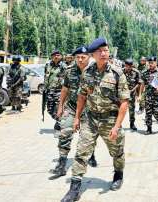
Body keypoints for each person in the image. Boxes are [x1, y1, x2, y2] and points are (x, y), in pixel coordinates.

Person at [61, 38, 129, 202]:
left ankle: (118, 174)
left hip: (110, 119)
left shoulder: (117, 73)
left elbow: (124, 102)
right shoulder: (87, 72)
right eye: (100, 51)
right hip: (90, 119)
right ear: (93, 54)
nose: (104, 53)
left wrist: (117, 126)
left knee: (117, 151)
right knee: (81, 151)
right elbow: (82, 96)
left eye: (106, 50)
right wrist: (77, 117)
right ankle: (74, 188)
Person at [49, 46, 97, 180]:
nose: (80, 60)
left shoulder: (96, 71)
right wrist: (60, 106)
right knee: (64, 132)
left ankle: (91, 154)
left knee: (87, 137)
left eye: (83, 57)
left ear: (89, 57)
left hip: (88, 109)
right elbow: (65, 89)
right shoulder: (70, 71)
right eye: (78, 57)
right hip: (71, 107)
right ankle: (62, 164)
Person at [140, 56, 158, 135]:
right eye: (149, 63)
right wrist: (140, 95)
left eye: (152, 63)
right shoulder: (145, 73)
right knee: (148, 113)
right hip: (148, 96)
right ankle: (149, 129)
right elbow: (142, 84)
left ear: (156, 62)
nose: (150, 64)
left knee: (156, 113)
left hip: (157, 96)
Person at [44, 50, 66, 131]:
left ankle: (60, 123)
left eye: (58, 55)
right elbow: (46, 77)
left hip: (59, 91)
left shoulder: (64, 66)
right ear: (51, 57)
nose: (56, 57)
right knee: (49, 109)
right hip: (50, 91)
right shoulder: (48, 65)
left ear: (60, 56)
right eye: (54, 55)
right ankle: (59, 120)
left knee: (58, 108)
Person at [123, 58, 141, 131]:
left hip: (131, 94)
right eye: (127, 66)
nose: (128, 68)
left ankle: (132, 123)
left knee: (131, 109)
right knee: (120, 108)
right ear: (125, 65)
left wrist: (133, 90)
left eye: (130, 66)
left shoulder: (136, 72)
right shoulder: (121, 71)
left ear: (132, 66)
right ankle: (118, 124)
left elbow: (139, 83)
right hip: (122, 94)